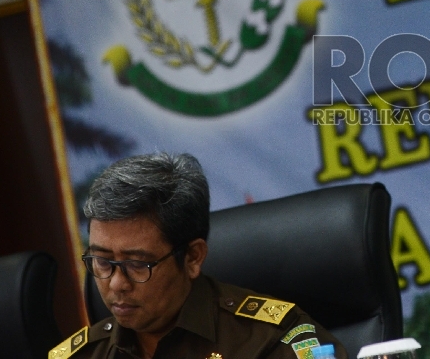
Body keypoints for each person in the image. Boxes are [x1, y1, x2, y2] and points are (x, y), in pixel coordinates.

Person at [50, 152, 346, 359]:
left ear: (192, 257)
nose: (116, 284)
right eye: (102, 261)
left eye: (137, 264)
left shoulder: (271, 340)